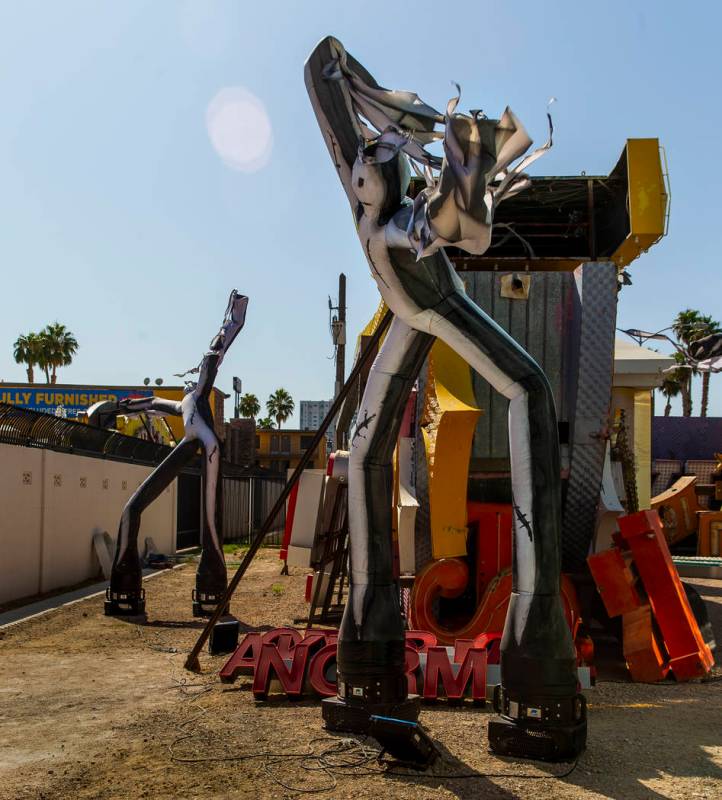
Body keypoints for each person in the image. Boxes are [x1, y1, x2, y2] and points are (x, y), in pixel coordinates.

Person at [305, 36, 585, 755]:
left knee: (527, 386)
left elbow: (450, 223)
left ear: (392, 181)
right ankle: (369, 659)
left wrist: (470, 164)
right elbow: (323, 76)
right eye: (362, 166)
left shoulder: (401, 224)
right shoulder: (360, 195)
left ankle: (539, 666)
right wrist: (362, 88)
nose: (362, 172)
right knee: (362, 448)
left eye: (375, 166)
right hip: (408, 315)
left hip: (436, 306)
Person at [106, 290, 248, 616]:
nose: (188, 385)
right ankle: (206, 587)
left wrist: (233, 317)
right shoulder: (187, 402)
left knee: (208, 525)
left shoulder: (199, 392)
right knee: (136, 510)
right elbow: (156, 404)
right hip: (200, 444)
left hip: (206, 445)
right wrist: (124, 407)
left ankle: (208, 586)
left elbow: (213, 358)